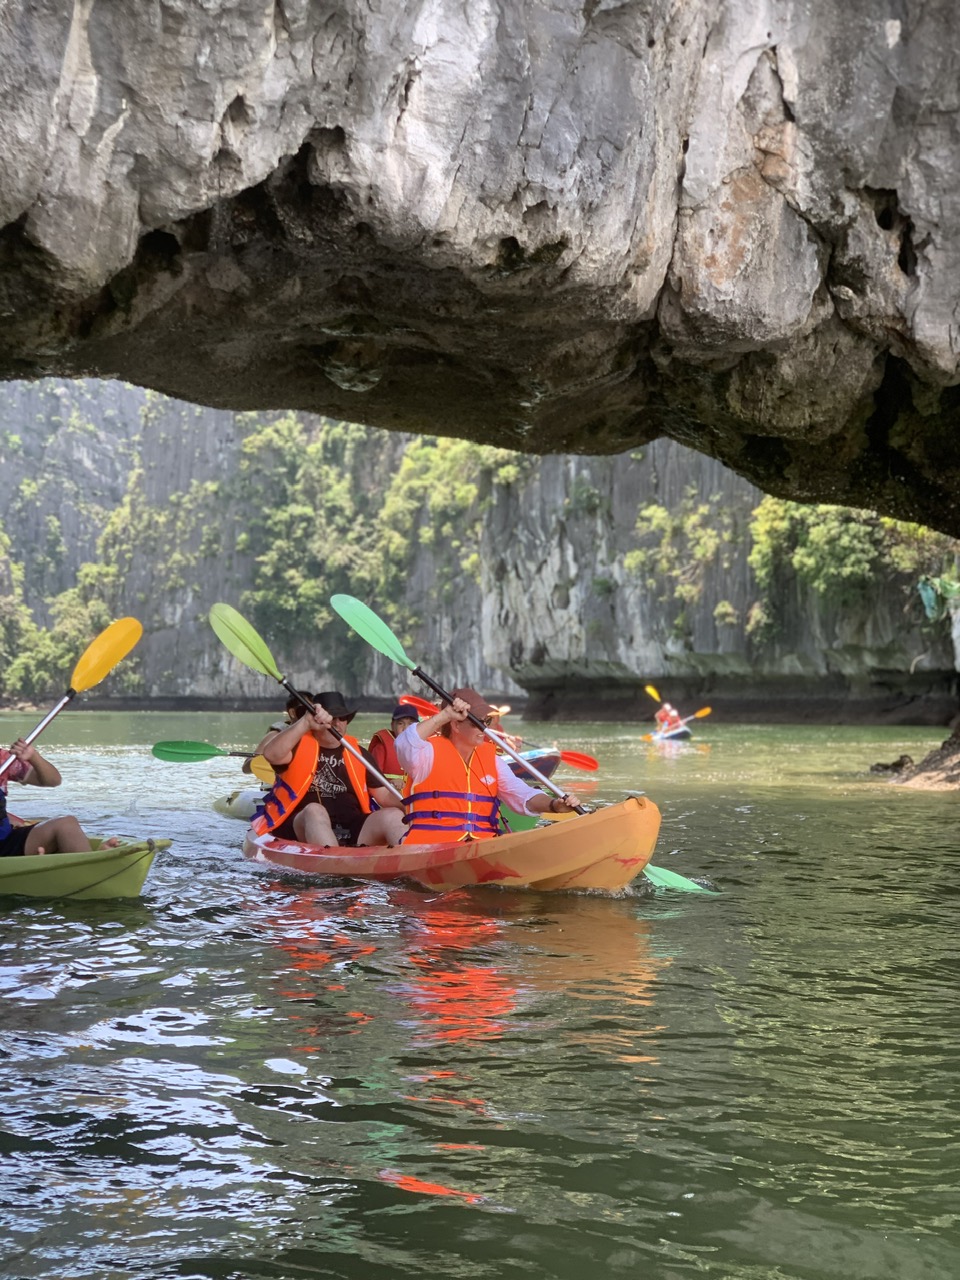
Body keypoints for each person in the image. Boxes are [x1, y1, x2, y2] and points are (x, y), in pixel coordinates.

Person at [395, 687, 580, 843]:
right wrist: (444, 716)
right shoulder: (426, 754)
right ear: (456, 726)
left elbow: (523, 796)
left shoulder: (493, 761)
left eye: (487, 721)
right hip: (431, 846)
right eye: (477, 722)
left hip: (480, 843)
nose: (484, 727)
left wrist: (555, 805)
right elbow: (403, 743)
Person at [257, 690, 406, 847]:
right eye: (332, 718)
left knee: (393, 815)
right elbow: (271, 754)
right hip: (301, 826)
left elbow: (383, 795)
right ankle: (334, 865)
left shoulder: (359, 754)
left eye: (342, 718)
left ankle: (409, 858)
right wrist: (305, 722)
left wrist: (411, 802)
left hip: (353, 828)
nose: (337, 723)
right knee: (315, 810)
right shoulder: (295, 746)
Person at [0, 739, 113, 857]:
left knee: (66, 824)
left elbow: (53, 780)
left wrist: (33, 757)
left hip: (5, 840)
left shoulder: (4, 759)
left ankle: (90, 862)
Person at [243, 690, 310, 773]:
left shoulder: (319, 734)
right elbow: (246, 768)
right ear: (292, 713)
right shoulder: (276, 734)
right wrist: (271, 756)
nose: (310, 715)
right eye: (306, 710)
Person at [368, 704, 420, 778]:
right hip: (390, 789)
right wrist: (391, 783)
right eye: (400, 723)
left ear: (418, 726)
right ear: (392, 725)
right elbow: (372, 779)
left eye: (410, 724)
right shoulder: (381, 747)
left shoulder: (424, 747)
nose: (405, 729)